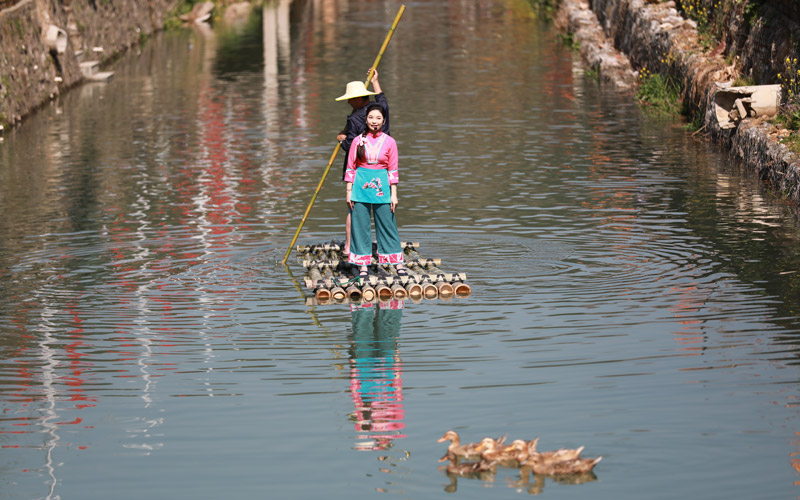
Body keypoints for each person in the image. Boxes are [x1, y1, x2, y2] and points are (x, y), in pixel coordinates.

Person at [344, 103, 407, 279]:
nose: (374, 121)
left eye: (378, 118)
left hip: (382, 186)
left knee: (388, 225)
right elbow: (351, 167)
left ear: (384, 120)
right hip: (360, 185)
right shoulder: (357, 141)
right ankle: (363, 264)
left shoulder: (389, 142)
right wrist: (349, 191)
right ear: (366, 119)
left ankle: (397, 262)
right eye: (371, 117)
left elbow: (393, 170)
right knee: (360, 226)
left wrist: (394, 195)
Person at [336, 69, 390, 257]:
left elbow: (352, 145)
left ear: (358, 99)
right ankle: (386, 247)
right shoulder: (379, 112)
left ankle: (349, 246)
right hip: (382, 169)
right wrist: (376, 81)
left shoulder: (356, 119)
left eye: (351, 99)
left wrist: (341, 139)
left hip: (360, 170)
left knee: (354, 208)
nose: (349, 102)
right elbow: (382, 100)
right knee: (382, 206)